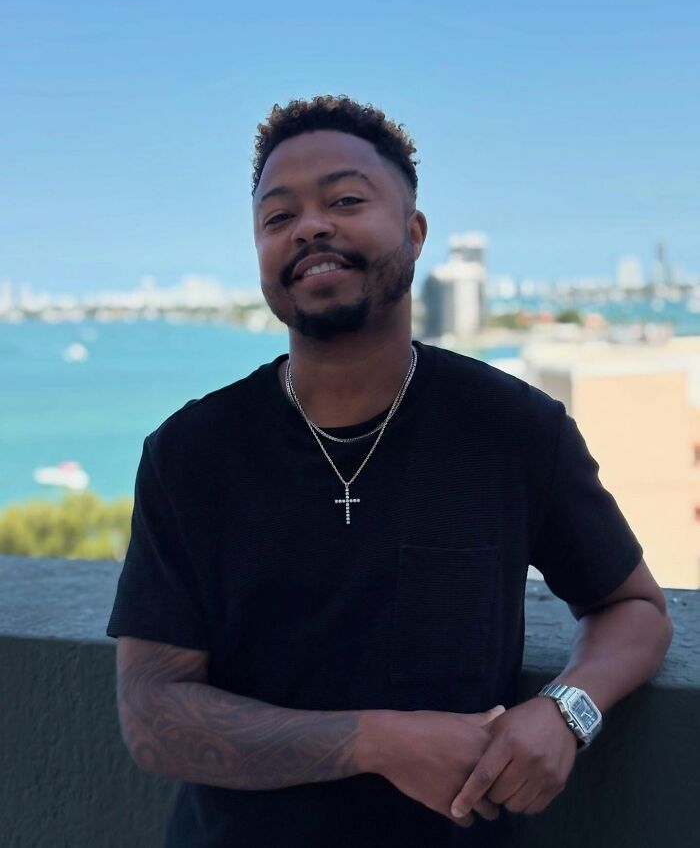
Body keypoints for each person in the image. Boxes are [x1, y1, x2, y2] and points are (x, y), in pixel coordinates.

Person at [106, 95, 673, 847]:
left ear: (414, 232)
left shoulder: (514, 429)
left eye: (345, 200)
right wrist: (380, 740)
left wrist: (567, 710)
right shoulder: (190, 453)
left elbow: (634, 608)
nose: (309, 226)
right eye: (278, 217)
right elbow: (152, 715)